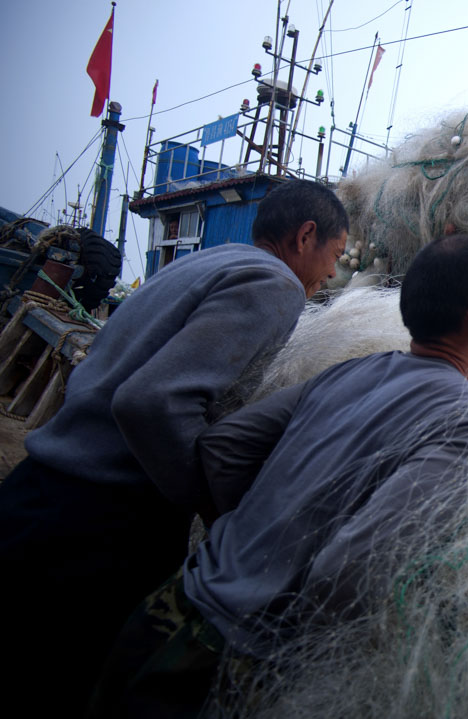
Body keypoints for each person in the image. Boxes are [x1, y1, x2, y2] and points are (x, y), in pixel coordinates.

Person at [88, 234, 468, 717]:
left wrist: (254, 536)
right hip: (226, 673)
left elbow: (223, 447)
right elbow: (349, 571)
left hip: (165, 612)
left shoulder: (351, 371)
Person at [0, 179, 348, 715]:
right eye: (335, 255)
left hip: (42, 487)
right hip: (96, 523)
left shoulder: (206, 262)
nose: (330, 274)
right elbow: (152, 402)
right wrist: (216, 509)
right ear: (306, 236)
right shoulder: (274, 285)